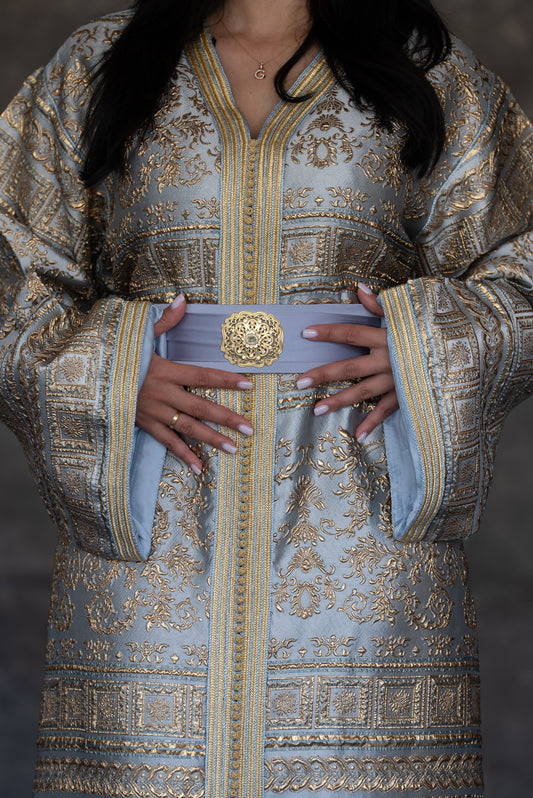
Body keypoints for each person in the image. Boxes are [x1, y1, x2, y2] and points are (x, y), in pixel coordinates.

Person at [0, 0, 532, 795]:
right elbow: (12, 264)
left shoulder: (426, 69)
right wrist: (110, 370)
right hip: (157, 519)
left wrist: (425, 346)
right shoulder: (95, 67)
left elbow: (518, 262)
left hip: (361, 521)